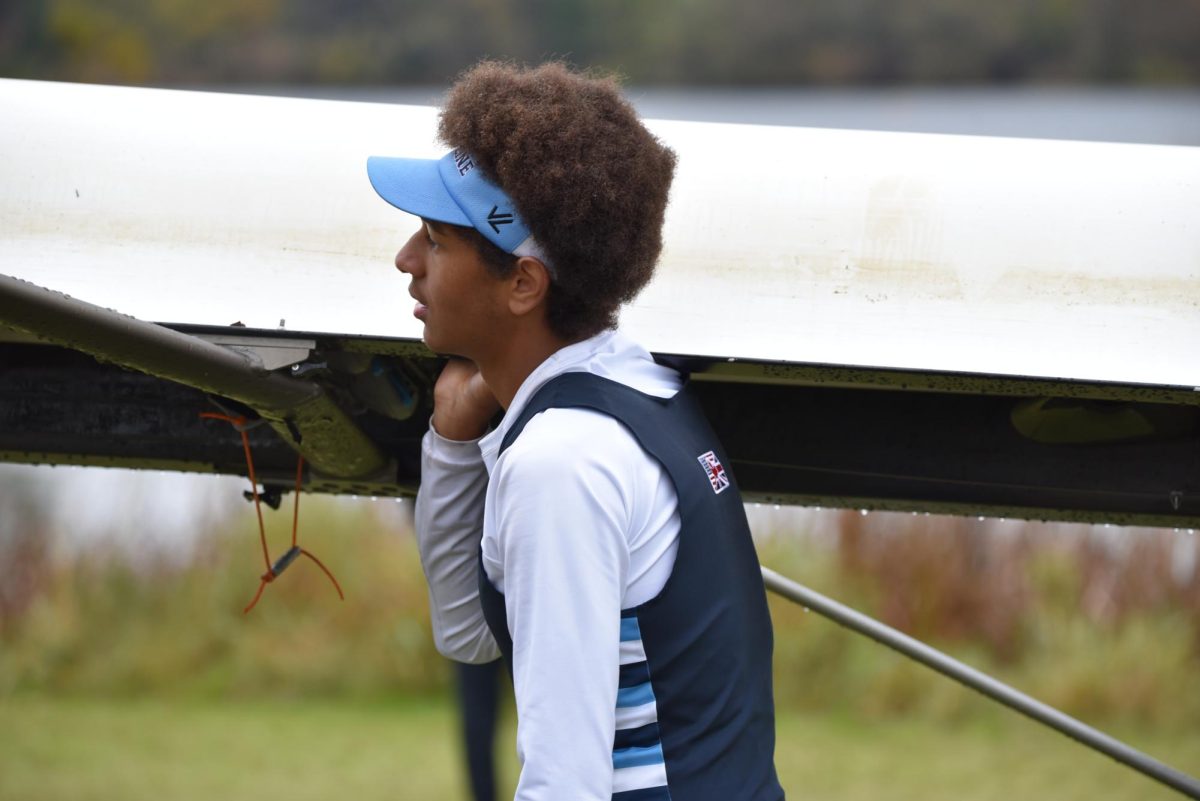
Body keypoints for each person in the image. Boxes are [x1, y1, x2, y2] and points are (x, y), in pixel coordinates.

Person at [367, 61, 784, 801]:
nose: (406, 260)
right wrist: (454, 443)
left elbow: (566, 781)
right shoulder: (639, 390)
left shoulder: (561, 462)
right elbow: (472, 633)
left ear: (524, 284)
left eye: (435, 238)